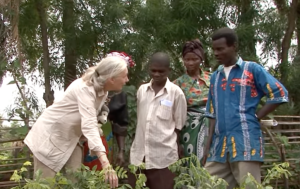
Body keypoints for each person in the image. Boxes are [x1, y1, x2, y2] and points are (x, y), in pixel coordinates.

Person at [24, 52, 133, 188]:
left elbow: (92, 117)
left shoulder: (102, 90)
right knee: (44, 184)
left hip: (72, 139)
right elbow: (89, 124)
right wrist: (105, 163)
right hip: (51, 137)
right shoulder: (85, 88)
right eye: (124, 76)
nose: (127, 80)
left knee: (75, 181)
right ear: (111, 78)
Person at [202, 27, 288, 189]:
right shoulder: (215, 77)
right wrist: (207, 148)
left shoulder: (251, 70)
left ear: (233, 46)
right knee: (207, 184)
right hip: (219, 148)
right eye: (214, 49)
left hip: (246, 143)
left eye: (220, 49)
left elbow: (280, 93)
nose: (216, 53)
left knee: (250, 186)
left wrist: (258, 116)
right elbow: (212, 113)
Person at [129, 52, 187, 189]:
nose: (156, 74)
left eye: (161, 71)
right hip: (139, 156)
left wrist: (177, 148)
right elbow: (140, 119)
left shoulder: (176, 93)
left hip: (164, 157)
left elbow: (179, 125)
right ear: (149, 69)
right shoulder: (142, 91)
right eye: (153, 70)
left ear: (169, 70)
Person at [173, 39, 210, 162]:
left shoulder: (212, 79)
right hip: (189, 128)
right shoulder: (177, 84)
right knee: (191, 161)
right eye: (187, 59)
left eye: (194, 59)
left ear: (201, 59)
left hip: (212, 125)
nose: (190, 63)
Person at [82, 91, 129, 170]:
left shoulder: (118, 92)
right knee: (80, 172)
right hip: (83, 135)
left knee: (103, 171)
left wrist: (121, 151)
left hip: (106, 135)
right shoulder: (85, 88)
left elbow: (120, 123)